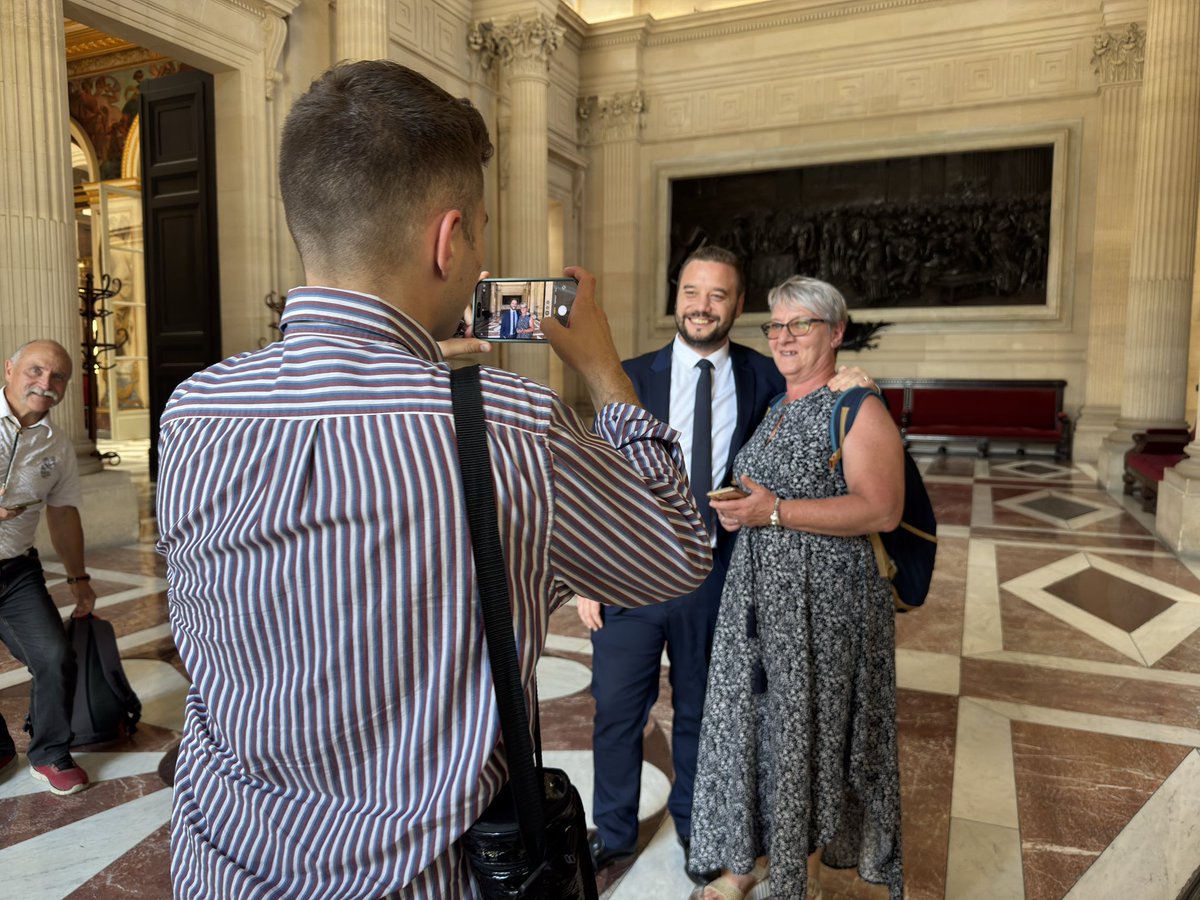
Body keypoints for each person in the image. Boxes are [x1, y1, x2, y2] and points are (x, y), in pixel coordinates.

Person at [155, 60, 711, 899]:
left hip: (224, 863)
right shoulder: (509, 427)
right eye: (481, 231)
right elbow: (677, 554)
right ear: (451, 239)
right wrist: (605, 373)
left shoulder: (193, 411)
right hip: (418, 881)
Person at [575, 248, 874, 883]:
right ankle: (616, 831)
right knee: (616, 711)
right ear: (675, 296)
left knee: (704, 714)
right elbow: (595, 483)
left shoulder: (768, 377)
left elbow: (822, 404)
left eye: (718, 295)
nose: (702, 306)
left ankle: (696, 826)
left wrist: (855, 379)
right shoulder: (625, 376)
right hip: (630, 575)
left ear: (738, 306)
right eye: (692, 291)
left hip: (720, 577)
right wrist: (585, 576)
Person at [689, 276, 906, 900]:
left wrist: (775, 511)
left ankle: (800, 874)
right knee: (756, 729)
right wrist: (743, 510)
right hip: (757, 603)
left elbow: (882, 509)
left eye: (800, 325)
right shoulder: (778, 405)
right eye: (776, 326)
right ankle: (746, 862)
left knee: (806, 735)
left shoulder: (857, 407)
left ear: (835, 332)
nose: (783, 337)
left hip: (823, 609)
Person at [0, 340, 97, 796]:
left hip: (16, 571)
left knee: (55, 656)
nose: (46, 383)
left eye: (57, 377)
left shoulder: (57, 445)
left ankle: (50, 752)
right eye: (36, 371)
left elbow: (62, 513)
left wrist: (79, 580)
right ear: (9, 370)